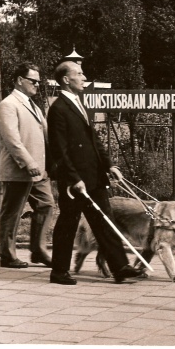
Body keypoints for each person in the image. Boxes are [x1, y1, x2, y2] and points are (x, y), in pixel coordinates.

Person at [47, 60, 143, 285]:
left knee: (104, 221)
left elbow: (93, 141)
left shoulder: (79, 104)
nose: (83, 77)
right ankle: (59, 272)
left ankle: (120, 267)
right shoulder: (58, 109)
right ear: (66, 79)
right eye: (79, 74)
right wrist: (73, 179)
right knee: (68, 224)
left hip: (94, 176)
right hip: (75, 182)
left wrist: (109, 165)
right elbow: (59, 151)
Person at [0, 62, 55, 268]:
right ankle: (8, 255)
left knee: (47, 204)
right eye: (33, 81)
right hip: (19, 170)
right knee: (12, 211)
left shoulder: (34, 105)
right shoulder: (8, 105)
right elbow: (12, 140)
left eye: (39, 82)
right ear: (20, 81)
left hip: (39, 170)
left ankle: (38, 250)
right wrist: (28, 162)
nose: (37, 85)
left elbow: (45, 135)